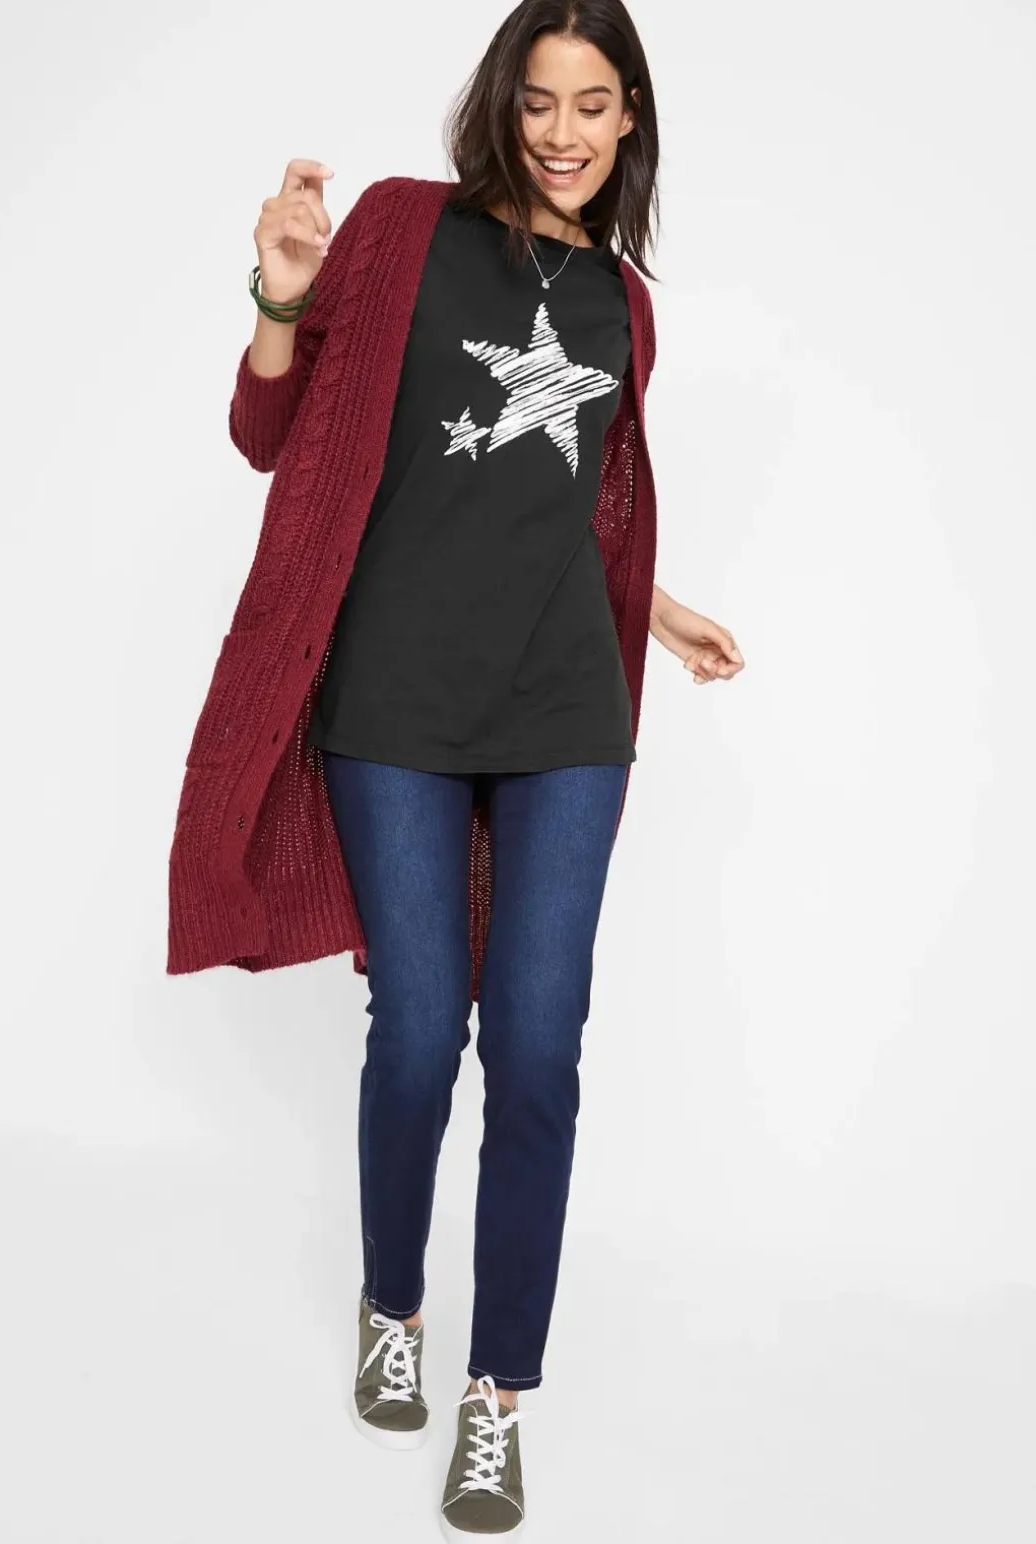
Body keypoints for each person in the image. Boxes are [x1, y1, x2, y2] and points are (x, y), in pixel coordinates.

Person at [167, 0, 744, 1536]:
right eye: (539, 100)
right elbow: (266, 431)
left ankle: (498, 1398)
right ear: (502, 102)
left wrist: (657, 605)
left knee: (538, 1055)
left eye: (593, 105)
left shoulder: (621, 302)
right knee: (421, 1034)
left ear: (629, 120)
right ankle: (394, 1304)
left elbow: (563, 506)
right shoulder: (398, 231)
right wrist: (280, 297)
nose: (563, 133)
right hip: (394, 706)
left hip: (563, 715)